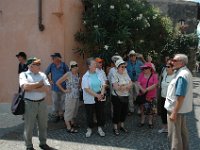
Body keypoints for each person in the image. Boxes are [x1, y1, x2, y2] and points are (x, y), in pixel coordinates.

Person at [19, 57, 52, 150]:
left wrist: (32, 87)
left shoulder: (42, 74)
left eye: (39, 64)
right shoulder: (23, 75)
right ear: (30, 66)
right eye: (37, 64)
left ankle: (43, 143)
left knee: (43, 124)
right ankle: (29, 146)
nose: (39, 66)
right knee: (29, 126)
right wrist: (39, 84)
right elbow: (25, 87)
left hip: (42, 103)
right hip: (29, 104)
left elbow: (47, 89)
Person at [165, 54, 193, 150]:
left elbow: (180, 96)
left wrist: (174, 112)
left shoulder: (182, 75)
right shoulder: (183, 72)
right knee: (182, 133)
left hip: (175, 110)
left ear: (181, 62)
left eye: (174, 60)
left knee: (175, 137)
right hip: (180, 110)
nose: (172, 62)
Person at [82, 57, 106, 138]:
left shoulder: (99, 73)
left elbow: (103, 84)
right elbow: (86, 89)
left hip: (100, 95)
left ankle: (100, 128)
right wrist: (97, 95)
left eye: (96, 64)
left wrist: (101, 94)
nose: (96, 65)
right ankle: (89, 129)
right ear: (89, 66)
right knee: (89, 114)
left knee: (100, 113)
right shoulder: (85, 76)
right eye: (94, 64)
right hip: (90, 97)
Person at [56, 61, 80, 133]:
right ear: (71, 68)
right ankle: (68, 127)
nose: (75, 69)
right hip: (70, 96)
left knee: (74, 110)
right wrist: (64, 90)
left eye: (76, 68)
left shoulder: (77, 74)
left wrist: (78, 86)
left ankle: (72, 123)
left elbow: (76, 83)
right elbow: (58, 82)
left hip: (76, 96)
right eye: (74, 68)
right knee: (68, 111)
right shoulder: (68, 74)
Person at [45, 52, 69, 122]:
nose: (52, 59)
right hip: (54, 88)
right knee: (55, 102)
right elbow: (45, 74)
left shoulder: (64, 65)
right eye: (52, 58)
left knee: (63, 102)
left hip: (64, 88)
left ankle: (62, 116)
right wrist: (50, 81)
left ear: (58, 58)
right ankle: (56, 115)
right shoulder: (51, 65)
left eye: (54, 58)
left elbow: (69, 74)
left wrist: (67, 82)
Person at [111, 59, 132, 135]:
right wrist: (125, 86)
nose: (124, 68)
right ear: (117, 67)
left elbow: (131, 83)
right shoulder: (114, 75)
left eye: (124, 67)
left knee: (124, 112)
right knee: (117, 112)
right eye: (122, 67)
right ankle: (115, 127)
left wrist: (123, 86)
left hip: (125, 96)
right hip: (117, 97)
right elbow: (116, 87)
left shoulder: (125, 73)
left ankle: (122, 126)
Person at [137, 62, 158, 129]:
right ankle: (142, 121)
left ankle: (150, 122)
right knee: (143, 109)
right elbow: (138, 83)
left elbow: (155, 84)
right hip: (143, 95)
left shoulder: (154, 75)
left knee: (151, 109)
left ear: (150, 69)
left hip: (151, 95)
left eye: (145, 68)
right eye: (143, 68)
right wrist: (142, 89)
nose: (144, 70)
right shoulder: (141, 75)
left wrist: (146, 89)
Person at [158, 60, 175, 133]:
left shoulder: (175, 77)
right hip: (163, 97)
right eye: (166, 66)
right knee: (163, 113)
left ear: (173, 68)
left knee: (170, 113)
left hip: (171, 99)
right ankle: (164, 128)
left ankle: (171, 129)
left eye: (168, 67)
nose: (166, 68)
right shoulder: (165, 74)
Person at [126, 50, 144, 115]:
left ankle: (139, 109)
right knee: (130, 96)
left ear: (136, 56)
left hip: (137, 81)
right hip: (129, 81)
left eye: (133, 55)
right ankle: (131, 110)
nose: (132, 57)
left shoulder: (140, 63)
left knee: (138, 95)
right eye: (131, 56)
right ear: (129, 57)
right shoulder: (127, 63)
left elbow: (146, 68)